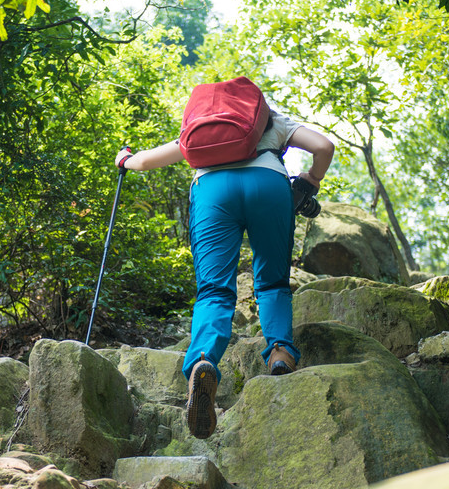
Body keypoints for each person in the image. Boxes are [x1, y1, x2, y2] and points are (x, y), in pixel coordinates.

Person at [114, 82, 335, 439]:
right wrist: (311, 179)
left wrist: (124, 158)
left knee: (214, 290)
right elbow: (324, 146)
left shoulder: (200, 130)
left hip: (213, 190)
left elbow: (144, 161)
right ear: (255, 106)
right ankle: (280, 354)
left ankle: (203, 360)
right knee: (273, 281)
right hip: (269, 185)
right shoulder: (272, 122)